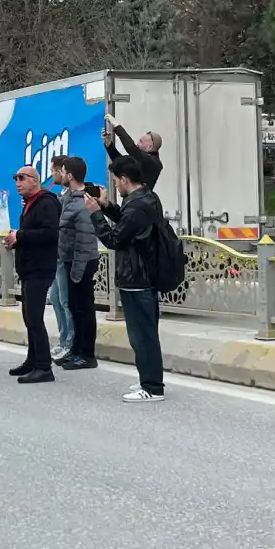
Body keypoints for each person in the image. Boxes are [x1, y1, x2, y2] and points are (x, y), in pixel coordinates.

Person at [86, 155, 165, 402]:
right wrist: (108, 206)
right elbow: (129, 226)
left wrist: (96, 214)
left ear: (124, 179)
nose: (115, 186)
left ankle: (152, 387)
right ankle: (149, 381)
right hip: (145, 276)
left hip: (137, 278)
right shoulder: (146, 198)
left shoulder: (136, 205)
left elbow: (114, 239)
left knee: (142, 335)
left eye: (116, 181)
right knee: (145, 333)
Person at [4, 165, 61, 383]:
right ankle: (32, 359)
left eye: (21, 178)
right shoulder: (30, 203)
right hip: (29, 267)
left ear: (35, 180)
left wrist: (21, 236)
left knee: (35, 318)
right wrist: (16, 238)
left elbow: (49, 233)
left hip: (41, 267)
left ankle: (44, 367)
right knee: (28, 317)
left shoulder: (46, 202)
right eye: (15, 178)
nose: (17, 182)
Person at [57, 156, 100, 370]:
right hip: (70, 261)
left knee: (84, 309)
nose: (61, 175)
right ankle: (75, 350)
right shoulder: (69, 198)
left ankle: (87, 354)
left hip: (81, 262)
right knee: (74, 307)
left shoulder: (82, 203)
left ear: (70, 176)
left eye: (63, 171)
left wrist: (76, 270)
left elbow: (84, 240)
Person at [47, 156, 74, 362]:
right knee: (56, 299)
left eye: (55, 171)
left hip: (66, 255)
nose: (55, 175)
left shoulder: (72, 196)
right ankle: (63, 338)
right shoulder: (59, 195)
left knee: (65, 301)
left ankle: (70, 343)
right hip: (56, 254)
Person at [101, 115, 163, 191]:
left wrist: (117, 126)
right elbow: (121, 162)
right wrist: (109, 144)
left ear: (149, 147)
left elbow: (132, 148)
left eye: (141, 142)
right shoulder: (142, 160)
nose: (137, 144)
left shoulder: (153, 163)